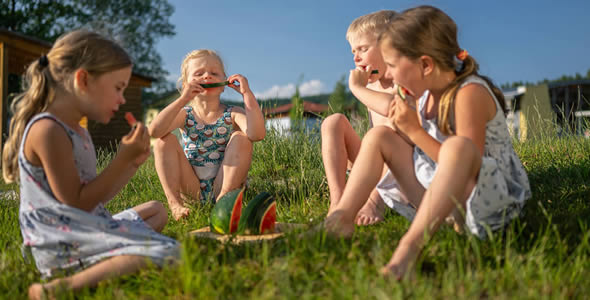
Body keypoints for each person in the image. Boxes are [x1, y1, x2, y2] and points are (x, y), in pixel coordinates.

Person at [322, 5, 531, 279]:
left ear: (425, 65)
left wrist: (414, 131)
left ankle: (408, 249)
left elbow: (466, 164)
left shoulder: (469, 93)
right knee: (379, 135)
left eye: (394, 66)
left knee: (458, 147)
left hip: (486, 201)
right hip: (442, 200)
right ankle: (341, 219)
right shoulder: (424, 93)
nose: (392, 76)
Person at [0, 30, 180, 300]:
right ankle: (59, 287)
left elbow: (94, 194)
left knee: (155, 210)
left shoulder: (79, 130)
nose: (122, 99)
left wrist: (129, 164)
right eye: (118, 88)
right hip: (60, 244)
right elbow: (75, 202)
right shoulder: (48, 130)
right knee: (170, 251)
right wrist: (120, 161)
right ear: (83, 80)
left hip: (84, 224)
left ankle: (110, 255)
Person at [148, 49, 265, 220]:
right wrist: (182, 99)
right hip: (191, 188)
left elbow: (257, 134)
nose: (207, 77)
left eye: (214, 73)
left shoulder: (233, 113)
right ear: (185, 85)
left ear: (225, 83)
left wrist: (247, 94)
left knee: (242, 137)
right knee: (162, 142)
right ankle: (175, 205)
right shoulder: (184, 114)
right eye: (199, 73)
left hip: (224, 184)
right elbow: (155, 131)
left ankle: (224, 203)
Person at [321, 10, 397, 226]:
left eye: (363, 49)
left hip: (400, 165)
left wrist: (356, 88)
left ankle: (375, 202)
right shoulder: (371, 86)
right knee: (332, 121)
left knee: (391, 131)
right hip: (375, 163)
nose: (356, 57)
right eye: (353, 51)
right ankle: (338, 200)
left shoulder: (405, 83)